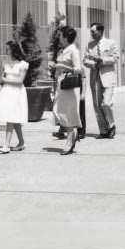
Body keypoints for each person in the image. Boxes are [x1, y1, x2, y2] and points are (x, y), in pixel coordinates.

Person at [84, 23, 119, 139]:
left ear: (101, 31)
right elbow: (85, 60)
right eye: (91, 32)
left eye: (93, 31)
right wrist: (94, 64)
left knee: (106, 103)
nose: (92, 34)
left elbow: (115, 58)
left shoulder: (111, 43)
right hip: (95, 77)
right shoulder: (90, 45)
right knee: (97, 105)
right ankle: (103, 130)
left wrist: (102, 60)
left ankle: (112, 124)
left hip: (108, 77)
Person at [51, 26, 83, 155]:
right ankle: (72, 134)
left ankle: (70, 140)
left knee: (68, 112)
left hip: (69, 85)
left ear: (65, 37)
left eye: (61, 35)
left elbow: (78, 69)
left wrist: (62, 66)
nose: (59, 38)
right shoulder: (63, 50)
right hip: (61, 83)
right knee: (58, 111)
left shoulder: (73, 50)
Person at [0, 40, 29, 153]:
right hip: (6, 92)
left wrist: (5, 80)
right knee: (14, 118)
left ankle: (6, 145)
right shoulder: (5, 62)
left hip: (17, 93)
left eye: (8, 49)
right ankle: (21, 142)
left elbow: (20, 81)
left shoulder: (23, 64)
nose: (6, 51)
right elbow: (1, 79)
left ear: (13, 50)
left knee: (10, 118)